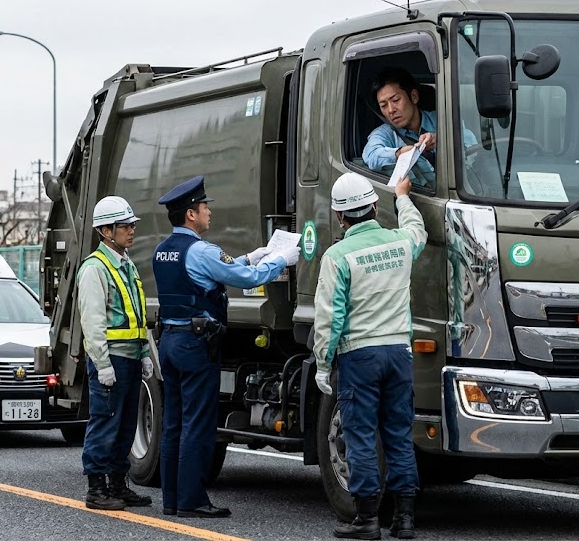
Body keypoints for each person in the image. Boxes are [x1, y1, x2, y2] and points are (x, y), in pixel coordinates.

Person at [152, 176, 299, 518]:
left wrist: (251, 255)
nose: (208, 212)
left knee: (173, 422)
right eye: (204, 207)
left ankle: (172, 500)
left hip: (170, 341)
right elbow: (246, 280)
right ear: (191, 214)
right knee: (198, 423)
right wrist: (280, 260)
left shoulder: (163, 250)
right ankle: (192, 501)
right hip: (195, 345)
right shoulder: (201, 250)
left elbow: (216, 272)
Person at [312, 172, 427, 540]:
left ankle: (367, 519)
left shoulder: (337, 256)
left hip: (360, 356)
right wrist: (403, 197)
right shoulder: (399, 243)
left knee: (360, 434)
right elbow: (417, 230)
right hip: (399, 353)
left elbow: (330, 317)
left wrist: (323, 363)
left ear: (339, 217)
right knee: (398, 434)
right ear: (375, 207)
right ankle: (405, 520)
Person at [76, 195, 154, 511]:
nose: (131, 231)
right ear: (107, 231)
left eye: (131, 225)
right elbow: (92, 320)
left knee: (124, 424)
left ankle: (118, 485)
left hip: (131, 357)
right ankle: (96, 489)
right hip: (111, 360)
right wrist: (101, 362)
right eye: (125, 226)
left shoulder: (127, 264)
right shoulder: (95, 268)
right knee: (105, 421)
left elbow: (138, 313)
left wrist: (145, 351)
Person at [362, 67, 477, 187]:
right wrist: (400, 153)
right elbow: (371, 155)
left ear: (414, 97)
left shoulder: (441, 120)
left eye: (395, 100)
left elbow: (471, 142)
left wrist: (441, 139)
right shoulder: (385, 133)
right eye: (384, 105)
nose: (391, 110)